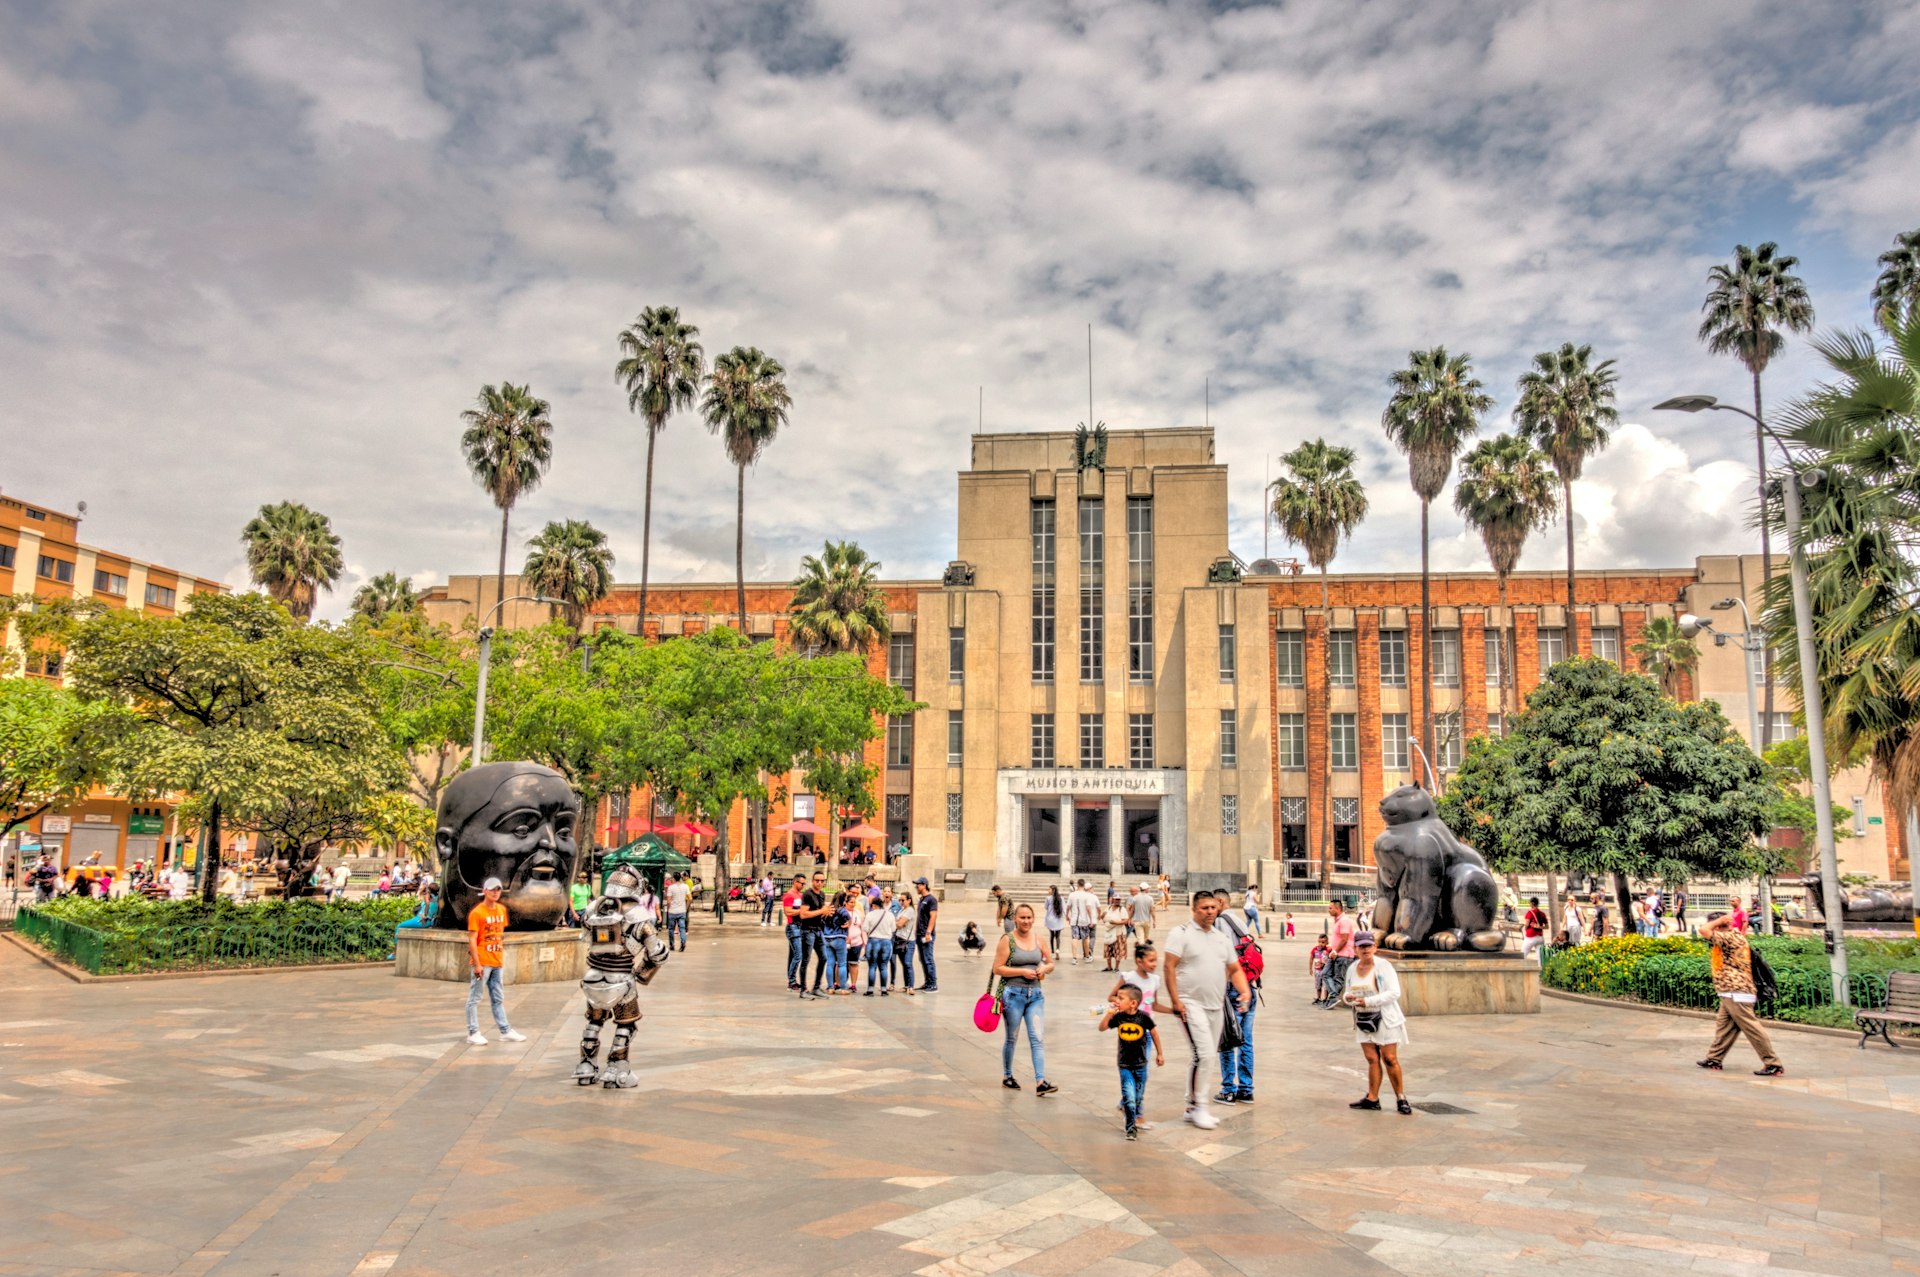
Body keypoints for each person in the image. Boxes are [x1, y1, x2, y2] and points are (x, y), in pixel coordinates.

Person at [1161, 890, 1252, 1131]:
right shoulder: (1180, 934)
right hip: (1190, 1003)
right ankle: (1199, 1105)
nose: (1210, 911)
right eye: (1204, 908)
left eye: (1213, 907)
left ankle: (1192, 1107)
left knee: (1204, 1054)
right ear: (1194, 909)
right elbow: (1169, 968)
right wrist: (1175, 1000)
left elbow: (1234, 968)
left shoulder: (1221, 938)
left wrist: (1245, 991)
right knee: (1205, 1054)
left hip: (1216, 1005)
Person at [1696, 911, 1785, 1076]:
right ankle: (1714, 1059)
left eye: (1714, 924)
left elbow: (1703, 930)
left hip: (1736, 990)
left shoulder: (1729, 937)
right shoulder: (1734, 935)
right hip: (1729, 991)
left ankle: (1773, 1063)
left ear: (1720, 925)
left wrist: (1718, 921)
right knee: (1724, 1027)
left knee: (1752, 1028)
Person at [1341, 932, 1411, 1114]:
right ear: (1355, 948)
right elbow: (1348, 991)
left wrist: (1369, 1001)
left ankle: (1401, 1098)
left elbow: (1394, 992)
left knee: (1389, 1058)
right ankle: (1372, 1097)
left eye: (1368, 946)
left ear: (1375, 947)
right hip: (1364, 1019)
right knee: (1372, 1059)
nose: (1365, 950)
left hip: (1385, 1019)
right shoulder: (1352, 968)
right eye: (1361, 946)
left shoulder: (1383, 966)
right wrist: (1349, 999)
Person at [992, 903, 1057, 1095]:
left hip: (1035, 995)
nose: (1026, 921)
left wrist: (1044, 968)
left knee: (1037, 1038)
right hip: (1013, 994)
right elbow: (997, 968)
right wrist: (1022, 971)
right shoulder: (1007, 940)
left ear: (1033, 919)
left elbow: (1050, 962)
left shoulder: (1039, 939)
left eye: (1029, 918)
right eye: (1022, 918)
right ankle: (1007, 1075)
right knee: (1012, 1037)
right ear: (1015, 919)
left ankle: (1040, 1081)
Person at [465, 877, 527, 1046]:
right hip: (483, 961)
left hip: (496, 961)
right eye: (492, 889)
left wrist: (500, 958)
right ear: (484, 891)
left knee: (498, 998)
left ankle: (505, 1030)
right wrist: (477, 963)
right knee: (475, 997)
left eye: (498, 889)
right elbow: (472, 939)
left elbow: (499, 935)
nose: (495, 892)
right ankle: (473, 1031)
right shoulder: (477, 913)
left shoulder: (500, 910)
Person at [1099, 983, 1163, 1140]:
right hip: (1125, 1065)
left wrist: (1160, 1054)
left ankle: (1130, 1113)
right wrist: (1109, 1014)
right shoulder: (1118, 1017)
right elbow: (1102, 1027)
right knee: (1129, 1097)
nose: (1117, 1001)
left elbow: (1154, 1034)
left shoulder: (1143, 1018)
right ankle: (1130, 1127)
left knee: (1137, 1097)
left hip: (1141, 1065)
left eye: (1121, 998)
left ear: (1133, 1003)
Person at [1214, 907, 1258, 1105]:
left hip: (1232, 989)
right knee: (1246, 1041)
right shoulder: (1240, 924)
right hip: (1250, 987)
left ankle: (1228, 1090)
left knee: (1228, 1039)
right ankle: (1246, 1090)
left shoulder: (1220, 923)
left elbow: (1224, 961)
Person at [798, 871, 829, 999]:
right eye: (817, 880)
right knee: (806, 960)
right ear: (812, 881)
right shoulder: (807, 895)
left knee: (823, 958)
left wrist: (826, 913)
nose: (820, 883)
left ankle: (816, 987)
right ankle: (803, 989)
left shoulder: (822, 894)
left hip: (818, 930)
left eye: (822, 881)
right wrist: (821, 911)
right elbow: (803, 914)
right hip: (807, 931)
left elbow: (819, 912)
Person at [1319, 900, 1356, 1007]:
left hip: (1344, 954)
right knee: (1325, 973)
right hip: (1336, 953)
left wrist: (1335, 950)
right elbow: (1339, 938)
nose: (1329, 910)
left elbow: (1344, 939)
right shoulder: (1337, 921)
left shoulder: (1344, 920)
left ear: (1338, 909)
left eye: (1330, 908)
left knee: (1338, 978)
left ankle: (1333, 998)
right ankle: (1334, 996)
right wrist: (1332, 946)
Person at [863, 891, 894, 996]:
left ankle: (870, 989)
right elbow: (893, 928)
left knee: (872, 966)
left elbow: (865, 928)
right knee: (884, 966)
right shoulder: (889, 915)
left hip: (873, 941)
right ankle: (884, 990)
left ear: (874, 905)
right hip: (886, 942)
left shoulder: (870, 915)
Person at [912, 877, 940, 992]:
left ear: (924, 885)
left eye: (918, 885)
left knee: (928, 959)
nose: (916, 887)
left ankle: (933, 984)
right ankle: (927, 982)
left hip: (926, 934)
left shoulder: (931, 900)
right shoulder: (921, 899)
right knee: (922, 959)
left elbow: (933, 916)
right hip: (919, 934)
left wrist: (928, 932)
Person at [821, 890, 851, 995]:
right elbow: (848, 918)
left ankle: (830, 987)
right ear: (844, 900)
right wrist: (847, 923)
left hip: (827, 938)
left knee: (830, 964)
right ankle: (843, 988)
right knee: (842, 964)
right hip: (839, 938)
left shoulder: (829, 909)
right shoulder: (842, 910)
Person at [781, 874, 807, 990]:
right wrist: (801, 911)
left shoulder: (800, 895)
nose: (803, 885)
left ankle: (792, 980)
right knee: (798, 955)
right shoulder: (789, 895)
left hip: (799, 926)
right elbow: (787, 912)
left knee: (793, 955)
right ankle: (791, 981)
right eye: (801, 883)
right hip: (793, 927)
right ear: (795, 882)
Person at [1066, 880, 1099, 965]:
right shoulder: (1086, 895)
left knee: (1074, 938)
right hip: (1084, 920)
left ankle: (1074, 958)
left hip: (1074, 920)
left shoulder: (1072, 894)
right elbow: (1088, 908)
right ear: (1084, 885)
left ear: (1077, 884)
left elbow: (1068, 906)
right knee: (1086, 938)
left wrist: (1067, 915)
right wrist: (1091, 920)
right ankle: (1087, 956)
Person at [892, 886, 918, 992]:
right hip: (899, 939)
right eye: (900, 900)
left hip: (908, 941)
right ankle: (907, 985)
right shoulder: (902, 910)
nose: (901, 902)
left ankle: (911, 986)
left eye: (903, 900)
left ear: (909, 900)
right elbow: (897, 923)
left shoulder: (910, 910)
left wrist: (896, 923)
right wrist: (897, 923)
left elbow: (900, 924)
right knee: (904, 963)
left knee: (908, 963)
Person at [1101, 894, 1131, 972]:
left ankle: (1116, 967)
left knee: (1118, 950)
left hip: (1119, 933)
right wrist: (1102, 916)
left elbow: (1125, 920)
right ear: (1113, 900)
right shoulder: (1108, 908)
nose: (1118, 901)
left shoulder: (1122, 909)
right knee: (1108, 950)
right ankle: (1109, 967)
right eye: (1116, 899)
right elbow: (1102, 918)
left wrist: (1116, 922)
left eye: (1119, 900)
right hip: (1109, 932)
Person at [844, 889, 867, 992]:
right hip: (843, 943)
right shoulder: (842, 912)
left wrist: (864, 941)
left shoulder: (858, 913)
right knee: (842, 963)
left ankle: (853, 984)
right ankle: (840, 983)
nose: (853, 905)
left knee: (854, 963)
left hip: (857, 942)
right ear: (846, 902)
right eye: (851, 902)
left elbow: (863, 928)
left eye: (854, 902)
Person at [663, 872, 691, 952]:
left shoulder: (671, 888)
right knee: (682, 928)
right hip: (682, 911)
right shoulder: (685, 886)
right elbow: (690, 898)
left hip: (672, 911)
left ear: (674, 878)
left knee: (671, 929)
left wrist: (668, 909)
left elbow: (668, 901)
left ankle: (672, 945)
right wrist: (686, 907)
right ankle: (683, 943)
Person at [1310, 933, 1332, 1002]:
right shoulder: (1315, 949)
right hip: (1317, 970)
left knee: (1326, 986)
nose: (1321, 944)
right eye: (1319, 942)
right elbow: (1311, 958)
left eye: (1323, 942)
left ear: (1327, 942)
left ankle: (1325, 998)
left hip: (1326, 971)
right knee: (1318, 985)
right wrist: (1310, 969)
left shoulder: (1328, 950)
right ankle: (1318, 998)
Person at [1043, 886, 1065, 954]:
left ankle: (1052, 952)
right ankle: (1057, 949)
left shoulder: (1048, 898)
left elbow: (1046, 907)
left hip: (1050, 919)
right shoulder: (1061, 898)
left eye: (1049, 889)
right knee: (1058, 936)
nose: (1047, 890)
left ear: (1052, 890)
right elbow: (1064, 907)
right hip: (1058, 918)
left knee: (1052, 935)